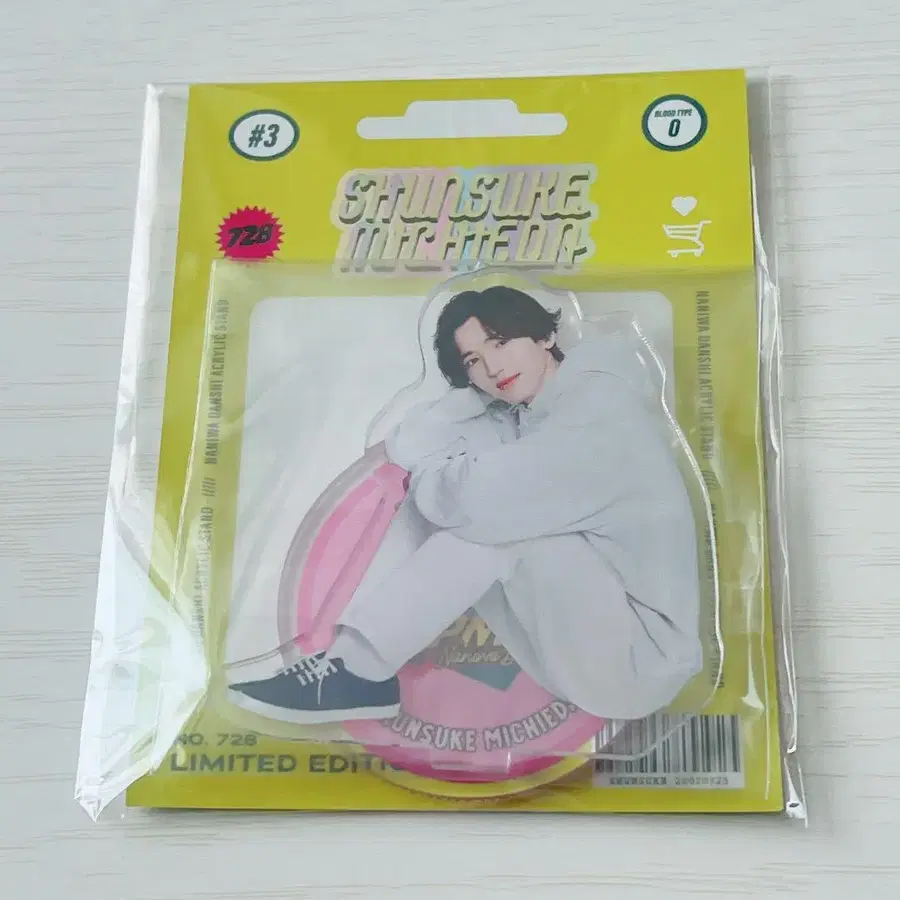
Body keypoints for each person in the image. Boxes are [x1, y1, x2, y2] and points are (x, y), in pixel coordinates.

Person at [228, 285, 703, 724]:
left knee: (497, 529)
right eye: (474, 360)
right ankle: (342, 660)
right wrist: (470, 404)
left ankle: (360, 670)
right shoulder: (530, 412)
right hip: (579, 652)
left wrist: (433, 481)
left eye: (500, 342)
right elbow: (406, 449)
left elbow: (485, 502)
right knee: (456, 506)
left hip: (642, 659)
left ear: (546, 335)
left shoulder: (599, 408)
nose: (492, 368)